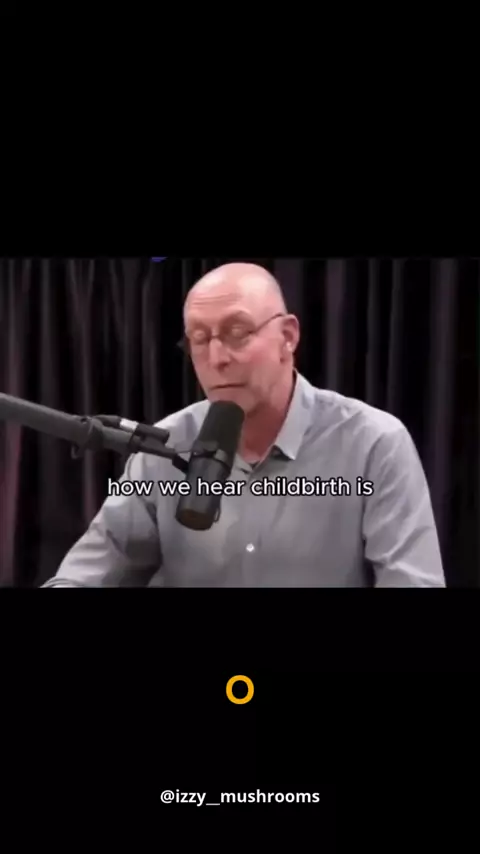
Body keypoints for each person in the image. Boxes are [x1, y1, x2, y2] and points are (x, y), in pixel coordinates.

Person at [42, 263, 445, 587]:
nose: (217, 358)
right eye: (200, 338)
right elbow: (89, 570)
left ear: (288, 336)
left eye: (237, 332)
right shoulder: (164, 448)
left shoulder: (374, 443)